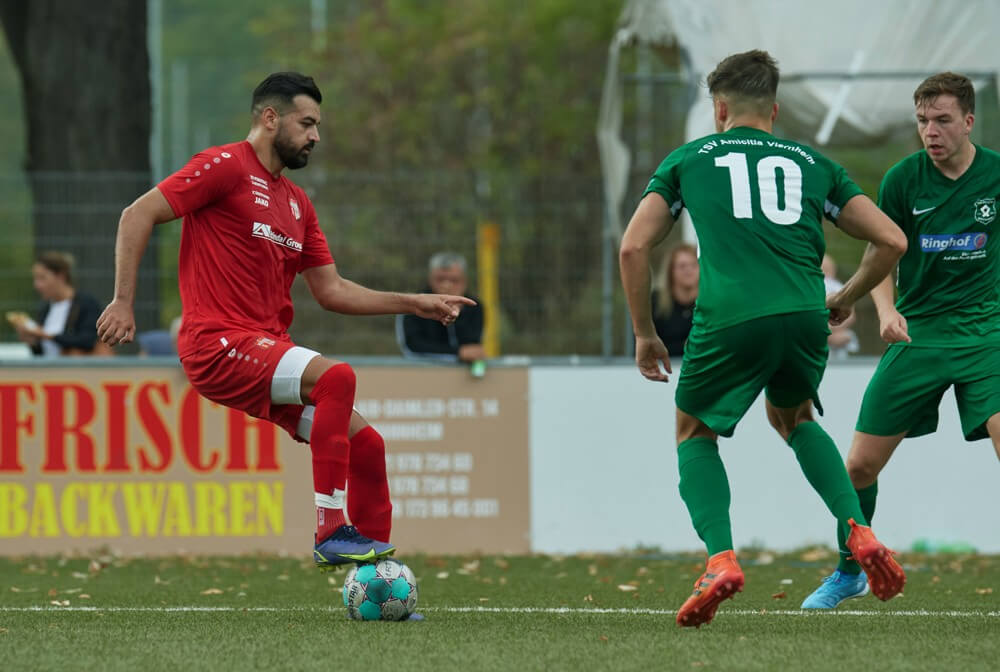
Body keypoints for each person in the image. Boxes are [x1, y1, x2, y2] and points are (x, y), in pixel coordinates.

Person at [96, 72, 475, 570]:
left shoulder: (297, 203)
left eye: (317, 126)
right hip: (216, 344)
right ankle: (330, 529)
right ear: (271, 119)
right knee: (336, 377)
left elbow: (332, 291)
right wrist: (123, 300)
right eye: (307, 123)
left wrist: (414, 302)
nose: (315, 135)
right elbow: (136, 214)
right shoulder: (224, 166)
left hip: (263, 350)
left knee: (367, 445)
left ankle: (377, 576)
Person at [619, 50, 908, 628]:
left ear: (719, 109)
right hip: (803, 312)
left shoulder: (689, 159)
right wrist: (846, 296)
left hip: (730, 316)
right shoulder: (814, 163)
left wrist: (645, 333)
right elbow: (892, 241)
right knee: (795, 418)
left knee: (694, 430)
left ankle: (720, 559)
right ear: (774, 110)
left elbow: (632, 246)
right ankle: (857, 529)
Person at [801, 72, 1000, 609]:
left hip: (986, 335)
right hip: (918, 335)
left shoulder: (996, 176)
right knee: (858, 468)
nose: (930, 131)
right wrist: (885, 310)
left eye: (942, 120)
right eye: (922, 121)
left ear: (968, 121)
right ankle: (848, 572)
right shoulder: (902, 180)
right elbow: (881, 254)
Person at [9, 251, 103, 356]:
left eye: (42, 278)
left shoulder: (86, 304)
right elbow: (44, 352)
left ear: (60, 276)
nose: (36, 285)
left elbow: (88, 341)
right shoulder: (45, 308)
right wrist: (32, 342)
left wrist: (45, 335)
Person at [399, 252, 485, 364]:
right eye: (440, 279)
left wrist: (457, 312)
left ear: (464, 282)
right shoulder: (415, 304)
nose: (447, 285)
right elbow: (413, 345)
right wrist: (458, 352)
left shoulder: (473, 306)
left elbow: (472, 347)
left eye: (454, 280)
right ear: (430, 280)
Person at [651, 243, 699, 356]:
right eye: (682, 266)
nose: (689, 270)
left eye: (694, 265)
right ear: (670, 271)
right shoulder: (655, 302)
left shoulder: (710, 302)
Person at [821, 254, 859, 360]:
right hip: (828, 329)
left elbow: (851, 315)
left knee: (844, 338)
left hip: (829, 330)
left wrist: (833, 330)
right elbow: (851, 315)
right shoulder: (838, 287)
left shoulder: (837, 287)